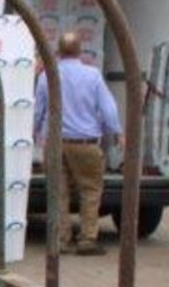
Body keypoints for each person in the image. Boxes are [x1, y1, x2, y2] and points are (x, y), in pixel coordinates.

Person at [33, 31, 121, 255]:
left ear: (58, 52)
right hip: (86, 144)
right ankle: (87, 239)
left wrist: (34, 133)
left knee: (58, 191)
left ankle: (61, 239)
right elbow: (108, 109)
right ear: (81, 51)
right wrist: (117, 132)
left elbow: (38, 110)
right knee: (90, 190)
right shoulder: (93, 76)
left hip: (55, 143)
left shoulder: (47, 76)